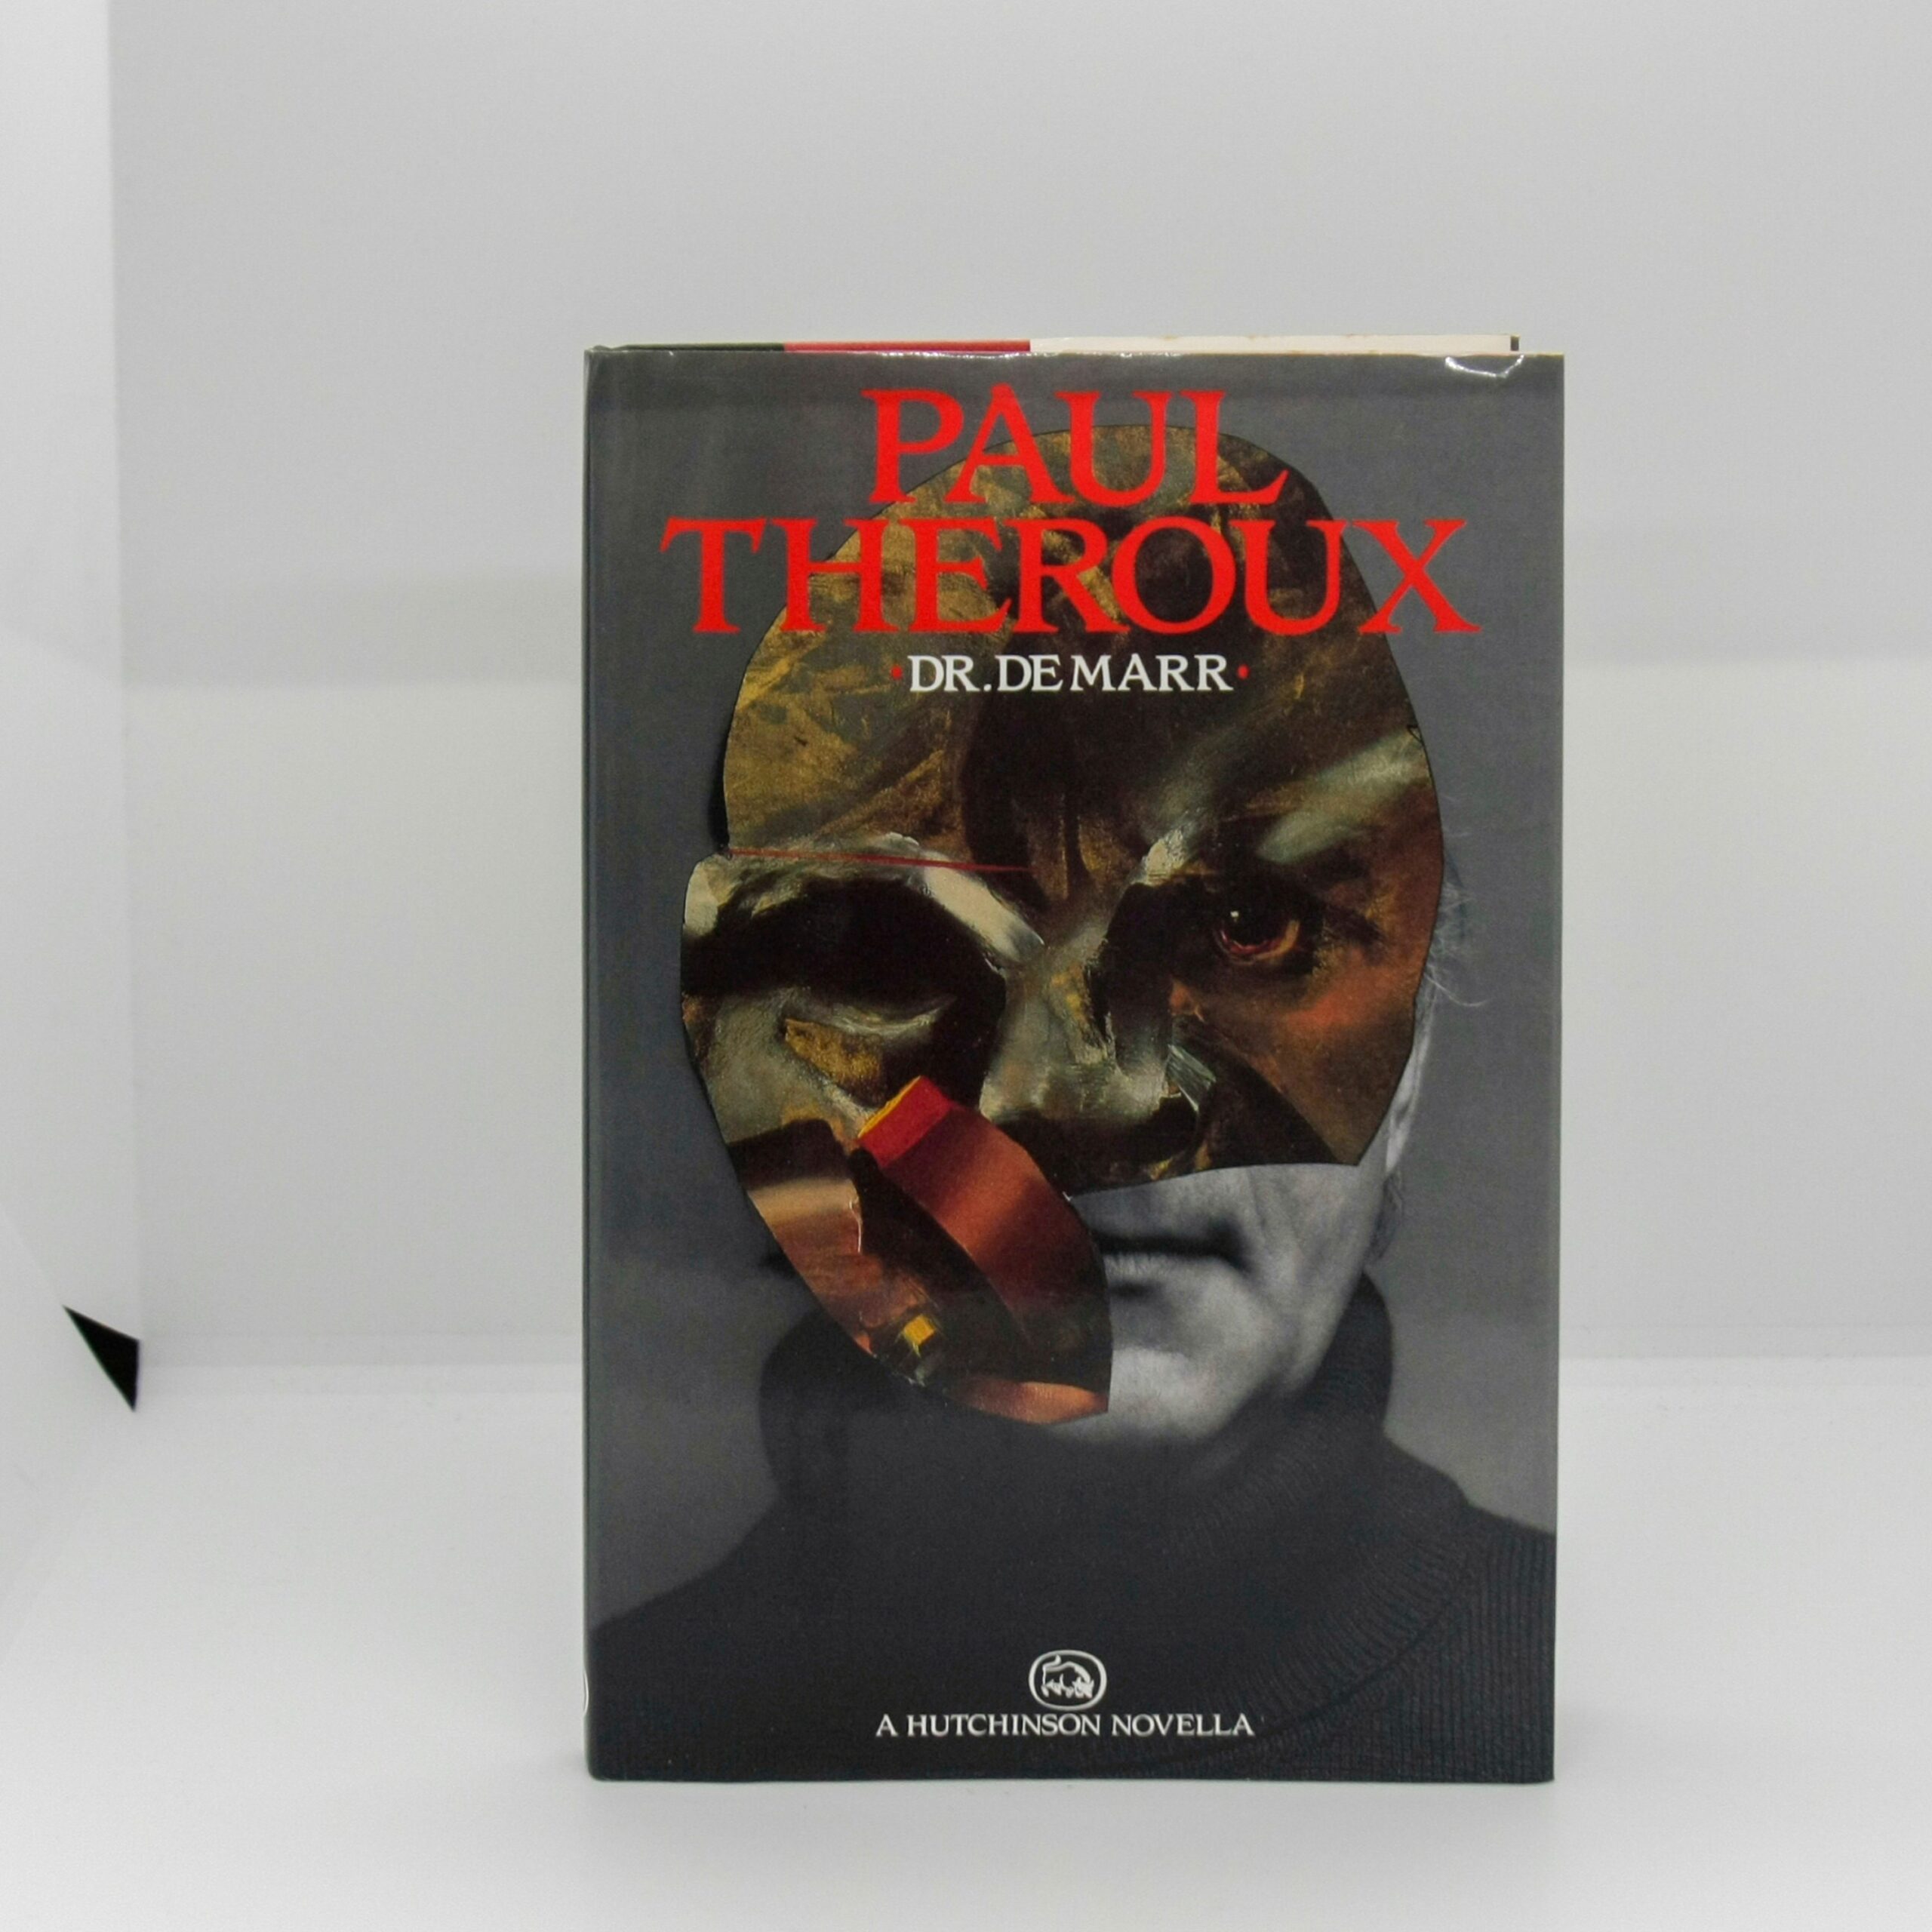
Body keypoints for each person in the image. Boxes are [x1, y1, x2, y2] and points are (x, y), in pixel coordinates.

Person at [590, 429, 1554, 1780]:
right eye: (898, 958)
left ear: (1410, 1075)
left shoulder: (1515, 1694)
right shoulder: (659, 1731)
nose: (1087, 1111)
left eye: (1246, 929)